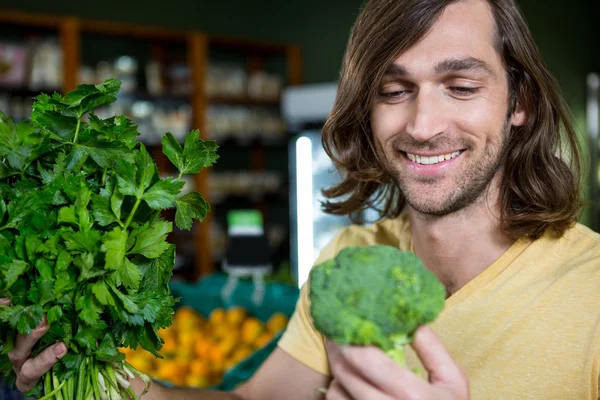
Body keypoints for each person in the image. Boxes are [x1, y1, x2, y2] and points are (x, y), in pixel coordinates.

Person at [6, 0, 600, 398]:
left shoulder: (591, 290)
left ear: (518, 101)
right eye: (394, 90)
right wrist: (118, 386)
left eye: (461, 86)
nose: (422, 124)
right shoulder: (347, 259)